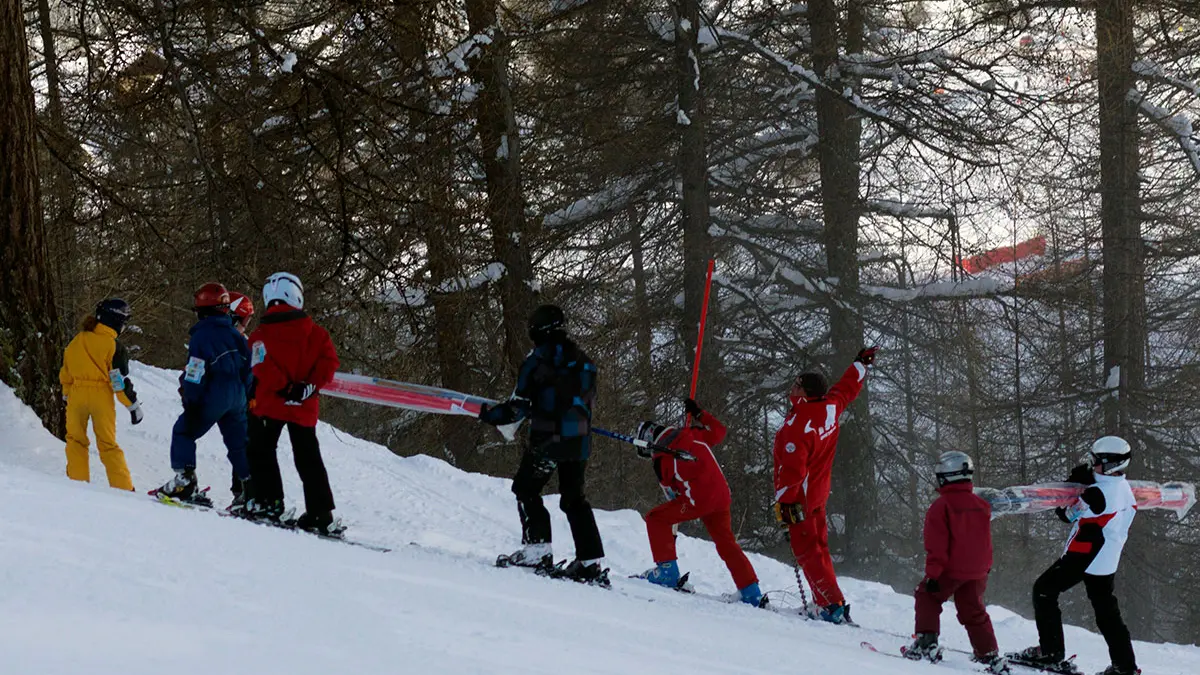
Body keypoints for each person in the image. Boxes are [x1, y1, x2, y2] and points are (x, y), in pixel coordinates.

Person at [479, 304, 606, 585]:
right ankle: (589, 561)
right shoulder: (584, 361)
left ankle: (537, 549)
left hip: (548, 439)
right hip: (579, 439)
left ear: (538, 331)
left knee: (526, 488)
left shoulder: (537, 360)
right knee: (575, 498)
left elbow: (518, 408)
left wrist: (488, 414)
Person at [1008, 437, 1139, 675]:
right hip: (1108, 557)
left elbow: (1067, 515)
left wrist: (1070, 488)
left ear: (1110, 465)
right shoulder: (1123, 487)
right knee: (1106, 611)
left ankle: (1051, 652)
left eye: (1095, 461)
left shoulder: (1096, 494)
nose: (1091, 464)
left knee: (1044, 590)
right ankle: (1125, 666)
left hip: (1086, 554)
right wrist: (1086, 482)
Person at [772, 346, 876, 624]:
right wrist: (859, 366)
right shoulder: (828, 407)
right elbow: (845, 390)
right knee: (819, 549)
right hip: (818, 493)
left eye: (795, 385)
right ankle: (829, 601)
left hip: (801, 499)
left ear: (804, 392)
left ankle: (831, 606)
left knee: (808, 552)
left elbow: (792, 471)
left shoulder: (800, 425)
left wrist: (784, 504)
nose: (791, 388)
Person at [637, 398, 764, 606]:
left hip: (699, 500)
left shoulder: (661, 460)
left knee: (656, 519)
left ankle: (667, 572)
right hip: (722, 496)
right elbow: (720, 431)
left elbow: (671, 494)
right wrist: (700, 414)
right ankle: (751, 590)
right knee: (726, 542)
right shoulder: (692, 434)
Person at [244, 272, 341, 534]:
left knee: (262, 450)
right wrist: (307, 387)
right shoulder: (318, 334)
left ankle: (270, 501)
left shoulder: (259, 335)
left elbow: (260, 366)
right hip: (304, 406)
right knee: (309, 457)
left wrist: (284, 387)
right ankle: (321, 513)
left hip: (271, 403)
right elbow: (329, 364)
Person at [906, 451, 1008, 674]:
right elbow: (983, 540)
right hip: (978, 570)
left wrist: (933, 575)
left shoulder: (941, 507)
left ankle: (926, 641)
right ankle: (987, 651)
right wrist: (985, 567)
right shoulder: (981, 505)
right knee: (973, 609)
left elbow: (937, 544)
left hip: (951, 569)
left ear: (946, 476)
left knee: (927, 595)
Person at [157, 283, 253, 508]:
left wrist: (191, 399)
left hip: (213, 393)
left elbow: (195, 371)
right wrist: (247, 395)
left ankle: (185, 481)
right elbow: (249, 368)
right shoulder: (236, 335)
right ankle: (251, 491)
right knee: (238, 443)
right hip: (237, 396)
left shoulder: (201, 336)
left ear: (203, 309)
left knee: (184, 431)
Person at [59, 299, 142, 491]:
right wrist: (132, 406)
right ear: (116, 321)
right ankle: (123, 488)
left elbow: (66, 372)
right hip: (100, 397)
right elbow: (118, 382)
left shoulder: (77, 340)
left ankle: (76, 483)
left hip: (76, 395)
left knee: (75, 440)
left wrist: (66, 394)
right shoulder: (113, 346)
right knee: (107, 444)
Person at [227, 291, 255, 500]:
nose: (246, 324)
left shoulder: (246, 342)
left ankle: (242, 490)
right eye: (245, 320)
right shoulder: (234, 341)